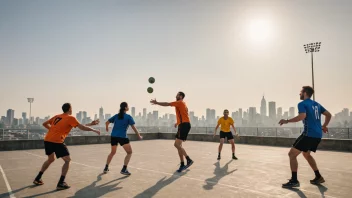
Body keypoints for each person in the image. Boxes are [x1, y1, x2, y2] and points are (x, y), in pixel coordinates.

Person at [33, 103, 100, 190]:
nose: (72, 110)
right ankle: (61, 183)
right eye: (71, 108)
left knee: (50, 159)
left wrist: (53, 130)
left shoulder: (57, 116)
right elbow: (81, 127)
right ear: (69, 109)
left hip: (48, 140)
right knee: (67, 160)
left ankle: (38, 178)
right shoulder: (70, 118)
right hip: (57, 141)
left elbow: (45, 124)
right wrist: (94, 130)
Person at [279, 86, 332, 188]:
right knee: (306, 154)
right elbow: (329, 115)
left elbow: (302, 116)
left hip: (309, 134)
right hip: (317, 135)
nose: (299, 94)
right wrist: (324, 126)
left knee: (292, 154)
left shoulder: (302, 104)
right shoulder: (317, 104)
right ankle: (318, 176)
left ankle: (294, 181)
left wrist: (286, 121)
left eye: (301, 92)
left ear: (305, 93)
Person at [150, 91, 194, 172]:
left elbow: (167, 104)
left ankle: (188, 159)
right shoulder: (182, 104)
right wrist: (177, 123)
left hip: (184, 125)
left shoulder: (180, 102)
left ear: (181, 96)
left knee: (176, 144)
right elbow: (184, 115)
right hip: (182, 125)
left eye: (177, 95)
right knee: (179, 146)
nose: (176, 96)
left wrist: (157, 103)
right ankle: (182, 164)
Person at [104, 102, 142, 176]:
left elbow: (106, 123)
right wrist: (139, 136)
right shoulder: (128, 117)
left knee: (112, 152)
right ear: (125, 108)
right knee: (129, 152)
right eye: (128, 106)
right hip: (122, 137)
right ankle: (124, 169)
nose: (128, 107)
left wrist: (107, 128)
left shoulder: (116, 116)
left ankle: (106, 167)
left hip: (113, 136)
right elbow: (134, 128)